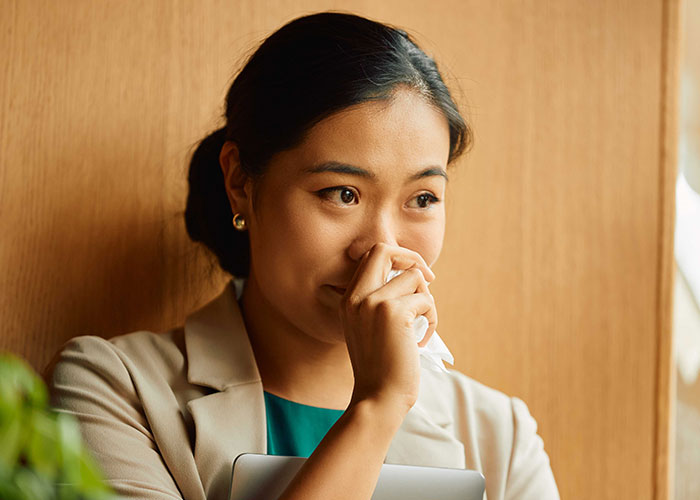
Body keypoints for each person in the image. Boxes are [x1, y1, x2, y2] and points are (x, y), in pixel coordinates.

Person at [48, 11, 560, 500]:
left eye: (422, 199)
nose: (380, 249)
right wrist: (375, 410)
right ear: (240, 182)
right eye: (342, 193)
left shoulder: (500, 437)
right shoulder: (114, 390)